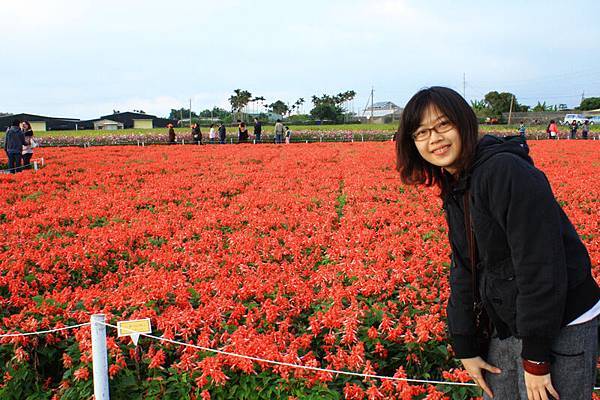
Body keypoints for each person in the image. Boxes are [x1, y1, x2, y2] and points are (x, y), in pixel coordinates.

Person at [395, 86, 600, 399]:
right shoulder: (457, 182)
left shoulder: (505, 171)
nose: (434, 138)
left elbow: (539, 264)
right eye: (422, 132)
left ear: (464, 123)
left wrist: (535, 357)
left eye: (443, 125)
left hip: (563, 318)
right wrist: (464, 344)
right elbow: (465, 266)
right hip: (511, 315)